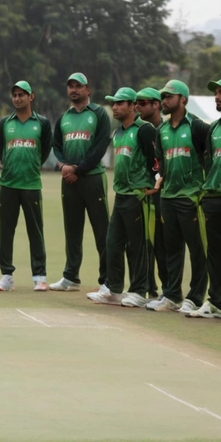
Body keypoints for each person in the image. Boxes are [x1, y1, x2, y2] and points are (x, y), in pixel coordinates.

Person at [87, 88, 157, 307]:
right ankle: (114, 289)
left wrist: (152, 186)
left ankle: (139, 290)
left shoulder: (144, 130)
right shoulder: (118, 132)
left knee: (137, 245)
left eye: (120, 103)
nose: (115, 107)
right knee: (112, 242)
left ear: (133, 106)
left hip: (138, 195)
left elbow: (155, 161)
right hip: (121, 194)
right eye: (113, 104)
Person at [146, 80, 209, 313]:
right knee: (171, 248)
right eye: (163, 96)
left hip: (191, 197)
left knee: (197, 248)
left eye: (169, 97)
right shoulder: (161, 130)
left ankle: (195, 297)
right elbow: (161, 162)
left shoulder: (197, 126)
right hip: (168, 197)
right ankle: (172, 295)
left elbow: (208, 158)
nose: (164, 101)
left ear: (183, 99)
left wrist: (203, 189)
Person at [49, 72, 111, 292]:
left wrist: (79, 169)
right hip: (69, 180)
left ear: (88, 89)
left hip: (92, 178)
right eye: (70, 86)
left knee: (102, 230)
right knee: (72, 230)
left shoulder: (99, 114)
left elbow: (100, 146)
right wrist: (64, 166)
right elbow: (56, 145)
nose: (74, 90)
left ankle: (106, 281)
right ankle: (71, 277)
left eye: (78, 86)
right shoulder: (64, 117)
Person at [0, 81, 52, 292]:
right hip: (8, 184)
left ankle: (39, 276)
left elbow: (45, 150)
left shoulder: (42, 123)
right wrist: (10, 165)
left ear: (31, 97)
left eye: (22, 95)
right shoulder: (4, 123)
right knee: (6, 231)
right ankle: (6, 275)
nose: (18, 98)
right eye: (15, 95)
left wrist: (33, 165)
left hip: (31, 184)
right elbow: (1, 151)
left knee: (35, 231)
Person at [187, 77, 221, 318]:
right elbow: (209, 161)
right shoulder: (213, 129)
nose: (217, 97)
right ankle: (218, 303)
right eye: (217, 93)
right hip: (214, 199)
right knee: (215, 254)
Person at [135, 87, 167, 299]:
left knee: (164, 245)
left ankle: (169, 291)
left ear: (156, 105)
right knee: (146, 242)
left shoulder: (166, 129)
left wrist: (159, 181)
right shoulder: (140, 130)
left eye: (143, 103)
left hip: (167, 194)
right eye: (136, 102)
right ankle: (149, 289)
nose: (138, 106)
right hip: (147, 193)